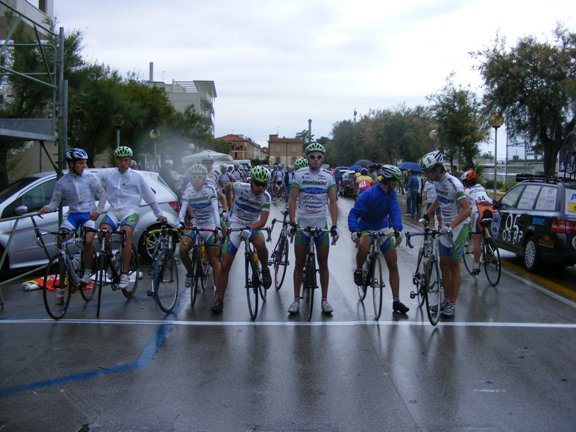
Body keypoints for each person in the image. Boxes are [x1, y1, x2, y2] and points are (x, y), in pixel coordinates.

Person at [99, 146, 168, 290]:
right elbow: (89, 179)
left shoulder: (137, 177)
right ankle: (112, 259)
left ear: (130, 161)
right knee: (102, 234)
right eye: (120, 160)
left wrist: (159, 214)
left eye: (126, 160)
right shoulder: (108, 174)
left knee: (125, 235)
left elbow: (149, 197)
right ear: (116, 161)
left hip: (130, 211)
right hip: (114, 210)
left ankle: (125, 273)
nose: (123, 163)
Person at [39, 148, 107, 285]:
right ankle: (71, 263)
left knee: (88, 241)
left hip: (88, 215)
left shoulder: (90, 177)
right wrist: (45, 209)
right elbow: (54, 203)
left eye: (85, 163)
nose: (84, 166)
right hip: (73, 216)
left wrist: (98, 212)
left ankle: (87, 272)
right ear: (71, 164)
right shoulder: (62, 182)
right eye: (81, 163)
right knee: (60, 239)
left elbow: (102, 195)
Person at [347, 165, 409, 314]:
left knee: (393, 263)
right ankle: (359, 269)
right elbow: (353, 214)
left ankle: (396, 301)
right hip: (367, 226)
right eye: (395, 181)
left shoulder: (391, 193)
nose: (396, 184)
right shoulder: (368, 195)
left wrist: (398, 229)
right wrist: (354, 230)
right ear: (388, 180)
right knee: (363, 245)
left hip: (382, 226)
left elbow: (394, 210)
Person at [212, 165, 272, 313]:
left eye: (264, 185)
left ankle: (265, 269)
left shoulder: (266, 197)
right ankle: (219, 299)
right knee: (225, 264)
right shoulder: (240, 187)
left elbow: (263, 221)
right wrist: (228, 205)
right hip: (236, 223)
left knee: (261, 243)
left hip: (253, 224)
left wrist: (251, 228)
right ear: (251, 181)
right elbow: (227, 187)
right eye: (257, 183)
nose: (260, 187)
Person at [287, 142, 339, 315]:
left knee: (323, 263)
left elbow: (333, 203)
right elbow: (292, 200)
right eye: (312, 157)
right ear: (307, 158)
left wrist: (334, 226)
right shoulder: (299, 174)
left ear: (322, 159)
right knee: (299, 263)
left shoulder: (328, 177)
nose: (315, 160)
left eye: (319, 157)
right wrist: (292, 222)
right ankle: (296, 300)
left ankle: (324, 300)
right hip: (303, 223)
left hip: (320, 223)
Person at [419, 150, 471, 318]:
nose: (426, 175)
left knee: (454, 266)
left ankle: (452, 304)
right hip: (446, 227)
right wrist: (428, 213)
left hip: (458, 227)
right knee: (443, 264)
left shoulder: (453, 183)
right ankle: (446, 301)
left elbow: (467, 209)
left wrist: (451, 225)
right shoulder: (436, 182)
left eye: (427, 171)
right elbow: (439, 199)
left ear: (437, 169)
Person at [178, 164, 222, 291]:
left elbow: (215, 209)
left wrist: (218, 227)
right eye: (194, 177)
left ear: (204, 178)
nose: (197, 179)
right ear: (191, 178)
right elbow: (182, 210)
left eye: (200, 177)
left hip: (210, 225)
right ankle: (190, 272)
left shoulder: (210, 189)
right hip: (197, 224)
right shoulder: (188, 191)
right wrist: (180, 222)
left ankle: (218, 290)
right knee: (183, 250)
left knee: (214, 258)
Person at [461, 169, 494, 275]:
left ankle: (476, 265)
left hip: (478, 211)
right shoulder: (482, 187)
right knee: (483, 224)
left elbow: (464, 208)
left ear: (466, 182)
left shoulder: (466, 191)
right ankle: (488, 238)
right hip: (490, 210)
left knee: (476, 240)